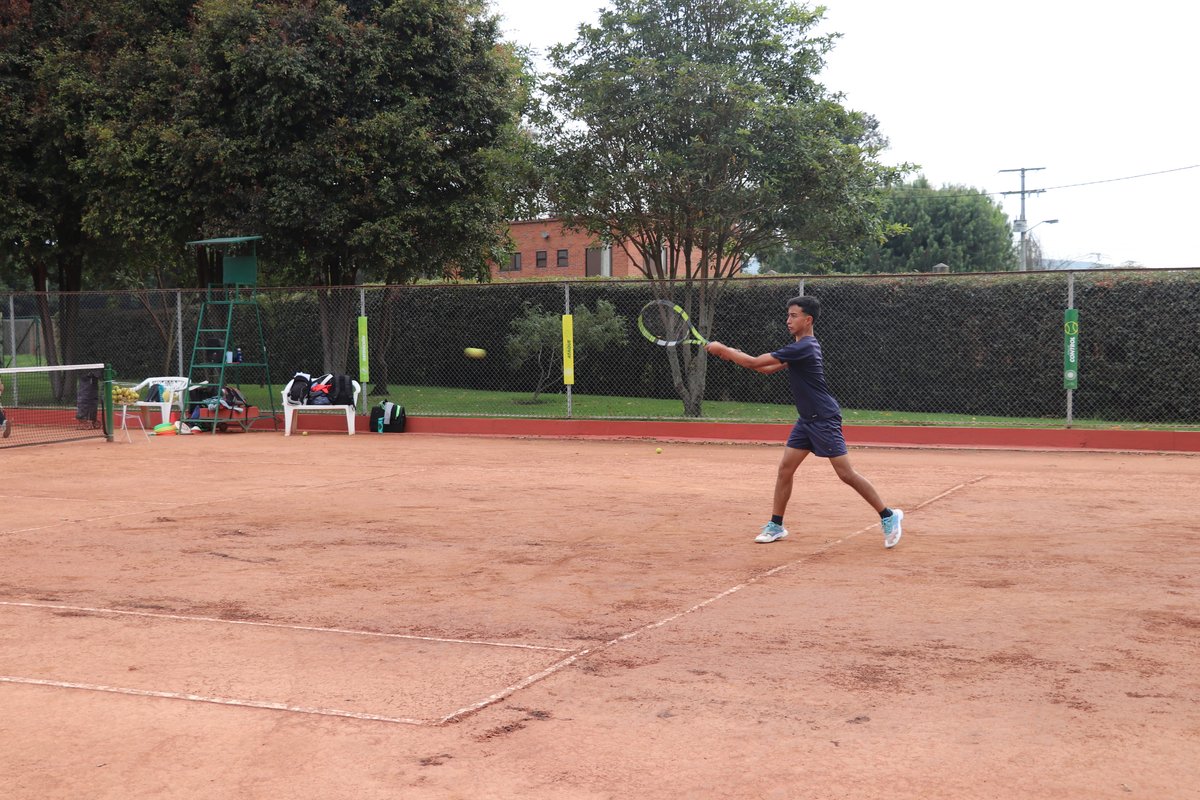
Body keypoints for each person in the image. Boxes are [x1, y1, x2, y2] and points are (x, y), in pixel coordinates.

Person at [705, 296, 903, 547]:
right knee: (785, 470)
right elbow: (764, 369)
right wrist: (732, 355)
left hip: (824, 419)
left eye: (793, 316)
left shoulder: (804, 347)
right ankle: (776, 525)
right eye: (787, 315)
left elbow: (753, 362)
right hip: (806, 420)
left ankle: (889, 515)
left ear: (807, 320)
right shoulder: (799, 348)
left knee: (846, 474)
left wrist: (724, 349)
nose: (788, 320)